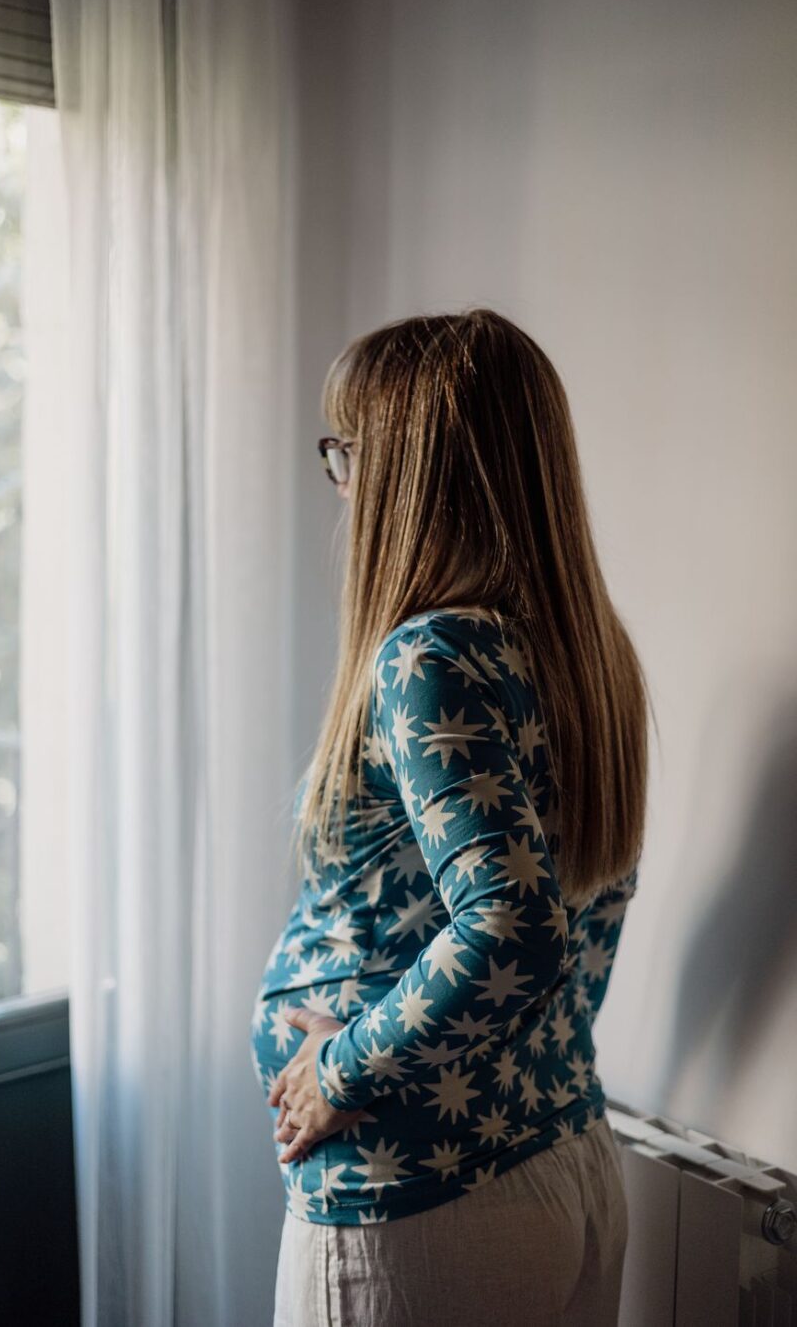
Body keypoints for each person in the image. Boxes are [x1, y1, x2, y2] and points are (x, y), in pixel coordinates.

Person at [249, 307, 651, 1326]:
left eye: (346, 450)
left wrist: (341, 1066)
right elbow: (566, 913)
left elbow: (512, 928)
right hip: (553, 1154)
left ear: (409, 470)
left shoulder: (430, 654)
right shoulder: (581, 654)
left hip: (423, 1208)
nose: (337, 480)